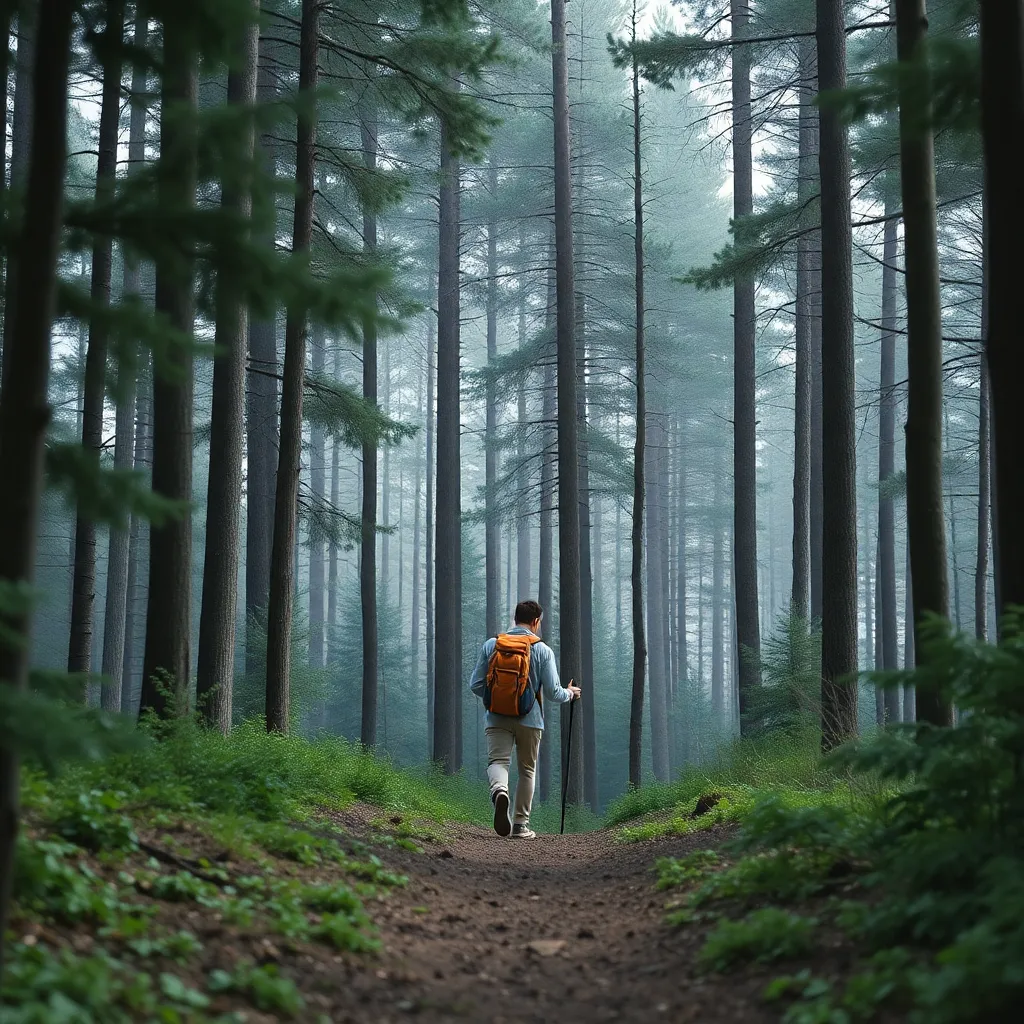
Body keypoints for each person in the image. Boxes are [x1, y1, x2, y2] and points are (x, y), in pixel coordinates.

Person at [469, 599, 581, 839]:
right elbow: (553, 693)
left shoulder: (492, 645)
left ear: (514, 618)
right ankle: (520, 825)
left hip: (496, 718)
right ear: (536, 622)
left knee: (498, 761)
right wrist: (570, 693)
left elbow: (476, 684)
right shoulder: (542, 650)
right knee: (527, 770)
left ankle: (500, 791)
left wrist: (495, 698)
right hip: (530, 720)